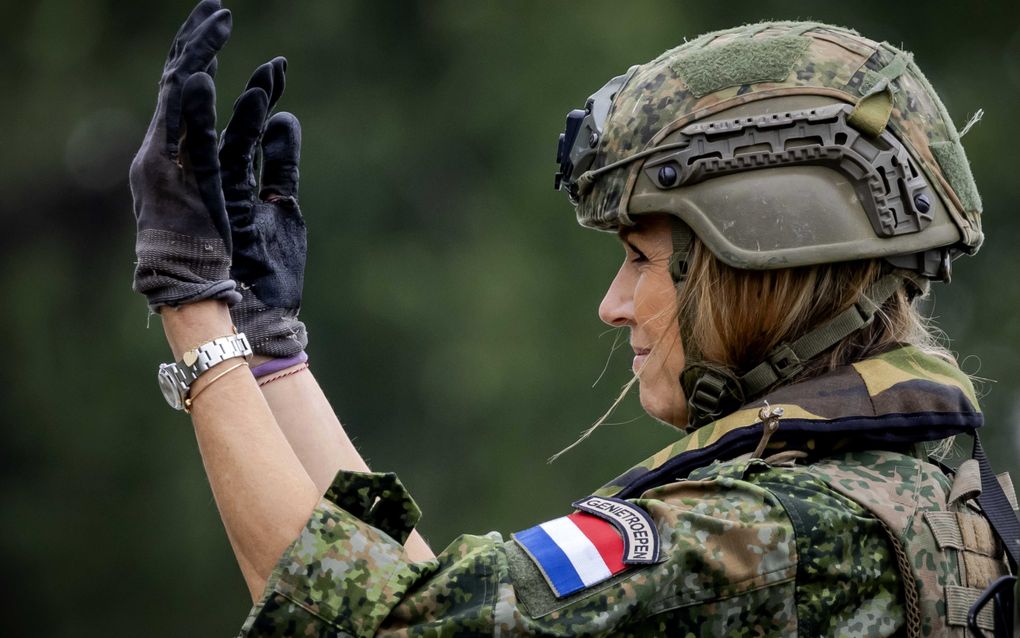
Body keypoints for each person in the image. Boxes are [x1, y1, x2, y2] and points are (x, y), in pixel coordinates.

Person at [130, 2, 1018, 636]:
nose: (613, 304)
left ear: (759, 256)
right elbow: (442, 602)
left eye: (639, 258)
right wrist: (270, 359)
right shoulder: (919, 496)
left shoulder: (780, 532)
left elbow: (379, 625)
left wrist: (191, 305)